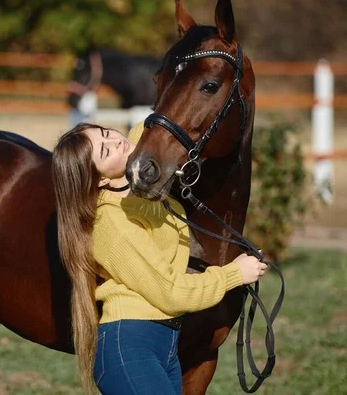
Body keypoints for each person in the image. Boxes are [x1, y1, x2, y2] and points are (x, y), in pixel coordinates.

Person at [51, 122, 267, 395]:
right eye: (106, 151)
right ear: (100, 179)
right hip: (129, 348)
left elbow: (163, 122)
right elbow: (172, 292)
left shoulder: (139, 190)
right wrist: (235, 274)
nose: (116, 142)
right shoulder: (113, 223)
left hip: (164, 345)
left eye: (107, 133)